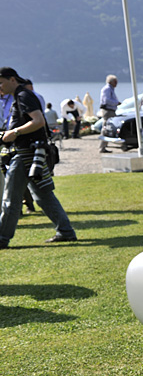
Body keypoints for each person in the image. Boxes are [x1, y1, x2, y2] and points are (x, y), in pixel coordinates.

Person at [0, 67, 77, 249]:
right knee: (43, 195)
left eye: (1, 83)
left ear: (12, 79)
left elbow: (38, 121)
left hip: (25, 154)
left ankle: (2, 238)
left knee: (10, 198)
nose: (0, 88)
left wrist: (15, 131)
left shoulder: (23, 96)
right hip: (33, 153)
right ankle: (65, 231)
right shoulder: (21, 96)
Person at [97, 74, 119, 153]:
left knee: (108, 127)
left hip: (110, 110)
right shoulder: (107, 89)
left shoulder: (110, 89)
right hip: (108, 110)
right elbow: (106, 100)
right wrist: (116, 103)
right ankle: (102, 146)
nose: (116, 83)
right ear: (111, 82)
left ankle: (104, 145)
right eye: (115, 82)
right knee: (106, 128)